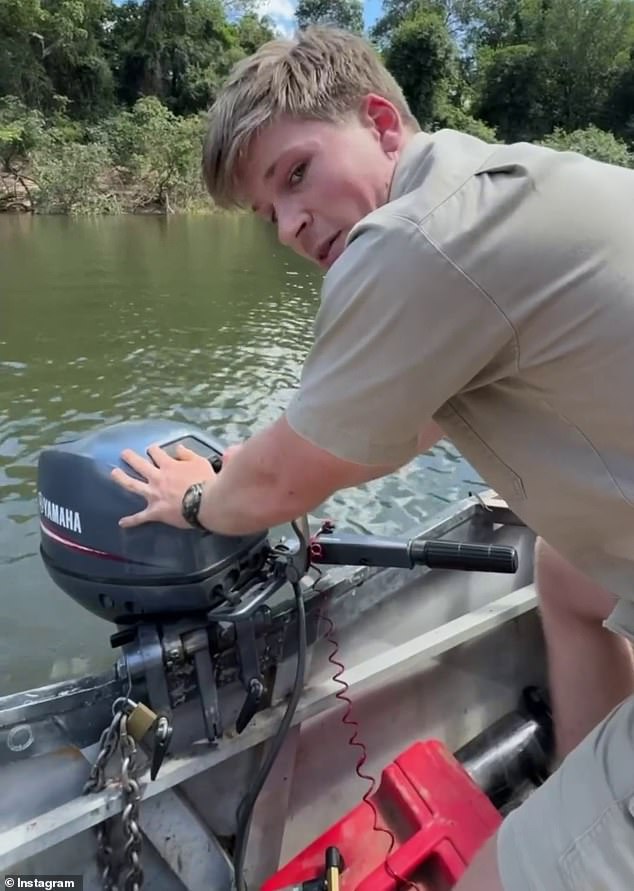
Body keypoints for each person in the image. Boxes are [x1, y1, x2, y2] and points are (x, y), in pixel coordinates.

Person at [109, 25, 634, 891]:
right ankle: (585, 778)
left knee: (492, 879)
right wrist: (267, 452)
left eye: (296, 174)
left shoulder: (409, 239)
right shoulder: (491, 183)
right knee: (571, 577)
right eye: (267, 210)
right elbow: (403, 417)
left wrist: (201, 500)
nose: (288, 224)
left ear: (383, 123)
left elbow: (282, 483)